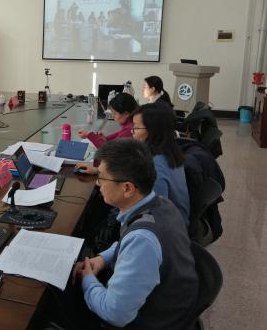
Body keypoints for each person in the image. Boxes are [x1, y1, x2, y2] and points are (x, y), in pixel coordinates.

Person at [70, 139, 198, 329]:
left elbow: (114, 314)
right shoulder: (161, 203)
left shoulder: (142, 240)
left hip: (150, 321)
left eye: (102, 178)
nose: (98, 184)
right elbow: (128, 244)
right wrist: (103, 259)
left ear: (128, 188)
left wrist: (87, 279)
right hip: (166, 300)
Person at [131, 103, 190, 225]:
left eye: (136, 127)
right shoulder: (168, 151)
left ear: (152, 131)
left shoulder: (154, 166)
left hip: (166, 227)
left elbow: (156, 213)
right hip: (177, 219)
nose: (132, 131)